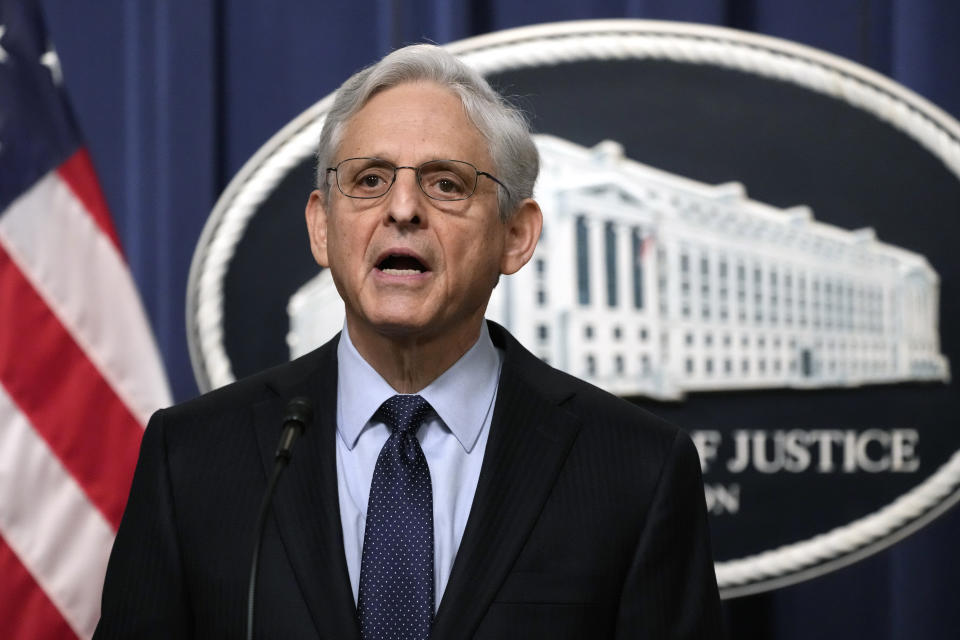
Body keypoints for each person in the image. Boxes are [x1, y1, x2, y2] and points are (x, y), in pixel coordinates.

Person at [94, 44, 722, 639]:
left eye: (446, 184)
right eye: (368, 180)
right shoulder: (194, 457)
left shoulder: (636, 468)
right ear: (321, 226)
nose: (402, 209)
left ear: (516, 236)